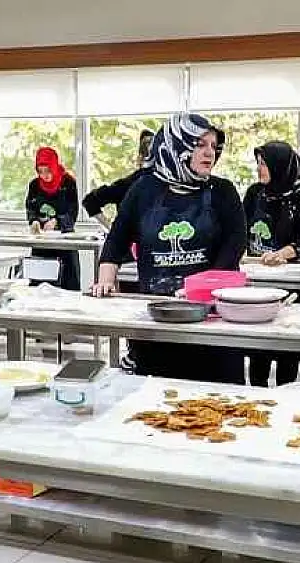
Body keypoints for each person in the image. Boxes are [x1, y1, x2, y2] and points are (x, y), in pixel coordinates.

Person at [93, 113, 246, 384]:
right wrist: (105, 281)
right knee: (156, 407)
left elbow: (233, 248)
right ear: (177, 146)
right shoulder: (144, 190)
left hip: (210, 322)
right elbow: (117, 239)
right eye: (199, 144)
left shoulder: (223, 192)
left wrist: (200, 292)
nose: (209, 152)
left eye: (213, 145)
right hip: (157, 319)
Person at [242, 141, 300, 387]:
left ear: (280, 166)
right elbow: (241, 229)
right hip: (258, 279)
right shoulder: (254, 193)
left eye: (264, 164)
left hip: (292, 279)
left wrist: (282, 254)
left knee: (287, 347)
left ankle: (287, 395)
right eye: (258, 164)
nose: (259, 169)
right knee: (258, 345)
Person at [25, 147, 80, 291]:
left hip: (64, 245)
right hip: (42, 245)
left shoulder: (68, 183)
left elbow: (72, 212)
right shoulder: (34, 185)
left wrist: (57, 221)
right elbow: (31, 209)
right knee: (39, 289)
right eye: (41, 171)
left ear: (54, 166)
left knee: (67, 288)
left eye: (48, 171)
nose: (45, 176)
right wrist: (34, 221)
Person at [82, 129, 155, 228]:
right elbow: (90, 201)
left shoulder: (126, 184)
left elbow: (90, 201)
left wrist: (111, 227)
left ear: (140, 158)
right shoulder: (171, 185)